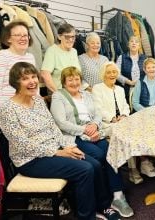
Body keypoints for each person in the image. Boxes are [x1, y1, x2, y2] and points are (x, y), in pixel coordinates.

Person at [0, 62, 121, 220]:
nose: (32, 81)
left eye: (34, 76)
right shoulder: (8, 109)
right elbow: (22, 144)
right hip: (31, 160)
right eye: (25, 78)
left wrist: (68, 146)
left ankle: (103, 206)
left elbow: (54, 128)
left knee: (95, 164)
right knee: (85, 169)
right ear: (15, 82)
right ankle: (87, 216)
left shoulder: (38, 101)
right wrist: (58, 152)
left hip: (54, 150)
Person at [50, 66, 134, 218]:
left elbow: (97, 114)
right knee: (100, 156)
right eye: (70, 79)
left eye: (77, 79)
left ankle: (117, 196)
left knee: (111, 151)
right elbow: (61, 122)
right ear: (63, 82)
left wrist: (94, 125)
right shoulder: (58, 96)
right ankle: (105, 197)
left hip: (94, 132)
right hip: (74, 136)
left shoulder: (86, 95)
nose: (74, 82)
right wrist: (84, 130)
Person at [0, 20, 35, 133]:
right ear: (8, 39)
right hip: (9, 114)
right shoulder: (1, 56)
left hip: (28, 112)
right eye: (18, 35)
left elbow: (33, 86)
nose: (23, 38)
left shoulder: (30, 57)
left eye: (25, 35)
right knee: (8, 150)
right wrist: (2, 116)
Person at [41, 23, 80, 93]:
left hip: (74, 93)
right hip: (59, 94)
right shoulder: (52, 51)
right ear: (59, 37)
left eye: (73, 37)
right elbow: (45, 74)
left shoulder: (74, 51)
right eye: (67, 37)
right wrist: (58, 94)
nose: (71, 40)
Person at [116, 36, 146, 103]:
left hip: (141, 90)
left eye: (136, 42)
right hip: (126, 90)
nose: (134, 43)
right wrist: (129, 82)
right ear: (128, 45)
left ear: (139, 45)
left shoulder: (144, 58)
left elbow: (148, 73)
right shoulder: (122, 57)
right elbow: (116, 74)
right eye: (132, 41)